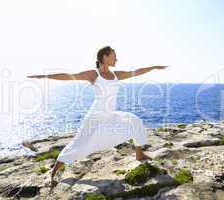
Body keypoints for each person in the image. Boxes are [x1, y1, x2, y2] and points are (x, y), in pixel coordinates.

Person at [27, 46, 168, 187]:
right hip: (95, 117)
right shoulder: (93, 74)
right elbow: (69, 76)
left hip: (110, 115)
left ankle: (139, 154)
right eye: (114, 56)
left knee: (134, 121)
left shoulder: (115, 75)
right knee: (78, 145)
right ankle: (54, 172)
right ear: (105, 57)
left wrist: (153, 67)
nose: (116, 59)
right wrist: (44, 76)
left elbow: (135, 72)